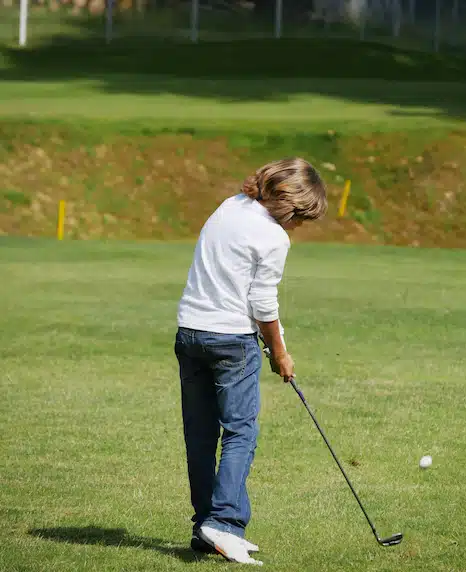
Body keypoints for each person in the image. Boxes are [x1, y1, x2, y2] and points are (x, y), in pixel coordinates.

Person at [174, 157, 328, 566]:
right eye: (301, 217)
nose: (298, 226)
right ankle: (224, 524)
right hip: (231, 342)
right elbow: (262, 303)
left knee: (202, 437)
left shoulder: (228, 206)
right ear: (289, 206)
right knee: (240, 432)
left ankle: (205, 531)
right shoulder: (275, 238)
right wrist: (280, 352)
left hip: (189, 333)